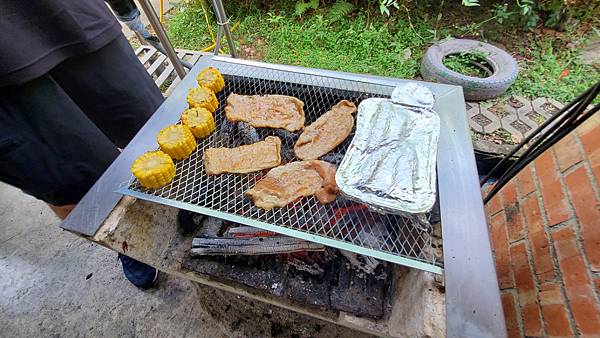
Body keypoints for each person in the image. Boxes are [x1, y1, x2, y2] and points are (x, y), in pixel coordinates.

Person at [0, 1, 163, 288]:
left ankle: (189, 205)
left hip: (70, 17)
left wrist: (125, 8)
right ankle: (125, 241)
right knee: (74, 183)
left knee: (155, 127)